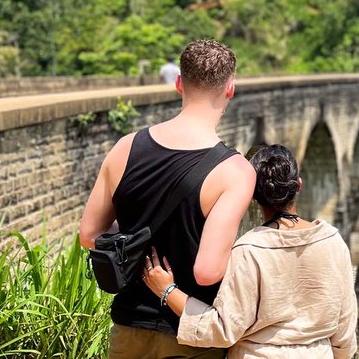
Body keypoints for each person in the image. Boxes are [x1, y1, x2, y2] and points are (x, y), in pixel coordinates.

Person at [79, 40, 256, 358]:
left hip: (128, 329)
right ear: (229, 88)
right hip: (190, 336)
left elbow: (89, 236)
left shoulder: (126, 147)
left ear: (178, 83)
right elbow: (207, 271)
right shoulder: (234, 171)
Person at [142, 144, 358, 359]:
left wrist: (167, 290)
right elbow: (345, 327)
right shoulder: (333, 241)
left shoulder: (249, 249)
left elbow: (223, 329)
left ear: (254, 196)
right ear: (298, 185)